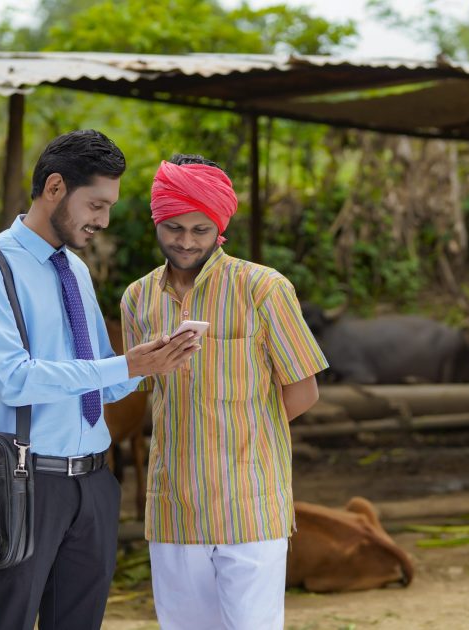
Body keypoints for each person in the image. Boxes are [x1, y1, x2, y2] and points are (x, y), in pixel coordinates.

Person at [0, 130, 200, 630]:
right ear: (55, 187)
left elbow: (102, 384)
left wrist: (157, 360)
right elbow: (14, 380)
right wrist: (126, 366)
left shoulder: (76, 271)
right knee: (10, 621)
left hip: (93, 481)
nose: (102, 221)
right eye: (96, 205)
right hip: (25, 478)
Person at [120, 154, 328, 630]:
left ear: (220, 226)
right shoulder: (138, 298)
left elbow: (303, 391)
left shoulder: (264, 289)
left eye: (200, 229)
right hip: (173, 507)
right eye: (174, 228)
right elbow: (148, 390)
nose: (186, 241)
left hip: (250, 503)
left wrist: (242, 435)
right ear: (157, 222)